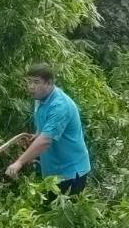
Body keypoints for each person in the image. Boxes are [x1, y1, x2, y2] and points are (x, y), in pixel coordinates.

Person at [5, 63, 91, 195]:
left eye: (36, 82)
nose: (31, 86)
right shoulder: (39, 99)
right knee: (49, 211)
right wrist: (37, 134)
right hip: (53, 171)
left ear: (49, 83)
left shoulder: (60, 106)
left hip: (71, 173)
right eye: (28, 82)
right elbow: (43, 129)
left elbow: (45, 141)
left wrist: (19, 162)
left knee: (66, 213)